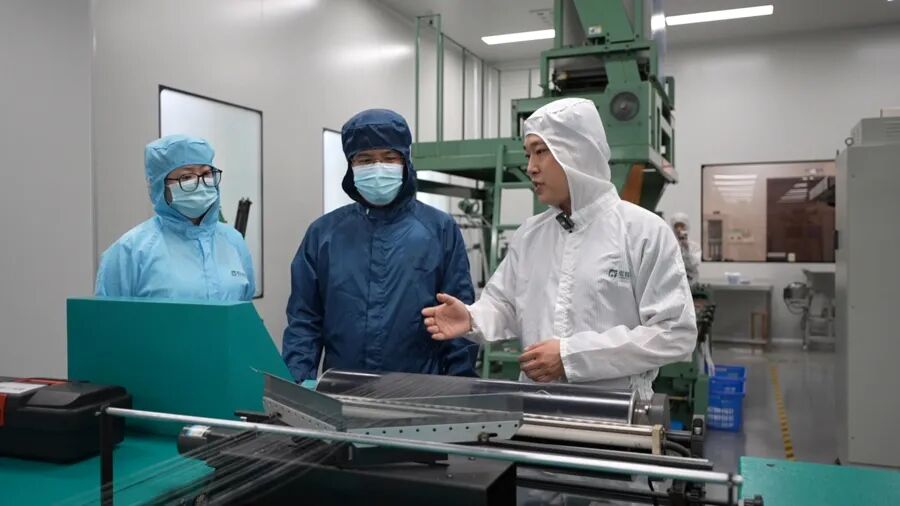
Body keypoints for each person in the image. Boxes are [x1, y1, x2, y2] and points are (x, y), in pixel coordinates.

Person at [422, 98, 696, 399]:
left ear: (578, 153)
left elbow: (674, 332)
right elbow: (504, 305)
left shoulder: (644, 232)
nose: (531, 168)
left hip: (615, 412)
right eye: (528, 155)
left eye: (541, 151)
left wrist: (572, 357)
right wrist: (471, 318)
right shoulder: (530, 235)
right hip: (536, 406)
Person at [282, 109, 478, 382]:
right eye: (365, 159)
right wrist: (299, 383)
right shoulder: (324, 234)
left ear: (405, 161)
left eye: (389, 158)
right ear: (351, 165)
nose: (377, 168)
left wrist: (460, 386)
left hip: (418, 390)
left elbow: (458, 317)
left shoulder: (438, 230)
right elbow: (304, 321)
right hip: (341, 389)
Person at [96, 135, 255, 300]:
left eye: (206, 173)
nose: (200, 183)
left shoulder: (233, 241)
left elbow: (245, 307)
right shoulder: (130, 251)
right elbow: (108, 315)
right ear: (159, 185)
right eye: (186, 177)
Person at [670, 212, 702, 285]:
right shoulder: (670, 246)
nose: (679, 229)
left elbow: (695, 263)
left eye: (682, 226)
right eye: (676, 226)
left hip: (691, 281)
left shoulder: (694, 246)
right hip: (675, 282)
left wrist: (687, 248)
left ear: (686, 227)